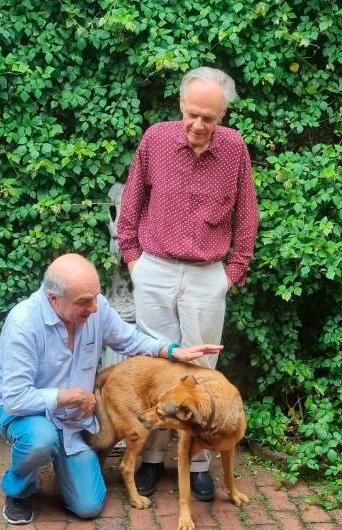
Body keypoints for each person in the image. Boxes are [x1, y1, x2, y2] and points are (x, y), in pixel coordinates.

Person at [0, 253, 223, 524]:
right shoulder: (23, 324)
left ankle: (60, 460)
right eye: (84, 302)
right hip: (22, 413)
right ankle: (18, 489)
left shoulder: (93, 307)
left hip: (71, 422)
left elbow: (129, 339)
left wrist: (171, 350)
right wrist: (68, 396)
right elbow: (15, 398)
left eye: (96, 297)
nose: (95, 308)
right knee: (40, 439)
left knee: (88, 507)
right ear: (54, 299)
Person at [117, 66, 259, 501]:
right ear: (181, 105)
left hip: (205, 276)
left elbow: (247, 215)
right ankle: (155, 459)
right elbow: (132, 199)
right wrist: (134, 260)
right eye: (193, 114)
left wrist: (230, 275)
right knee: (157, 368)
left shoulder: (234, 148)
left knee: (202, 373)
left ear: (223, 115)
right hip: (155, 268)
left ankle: (198, 461)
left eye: (209, 118)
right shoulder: (156, 139)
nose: (199, 125)